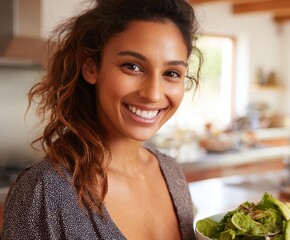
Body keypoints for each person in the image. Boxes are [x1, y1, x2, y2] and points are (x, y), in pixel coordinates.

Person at [1, 0, 202, 239]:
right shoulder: (44, 190)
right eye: (132, 66)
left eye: (171, 73)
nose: (153, 94)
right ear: (91, 68)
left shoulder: (171, 172)